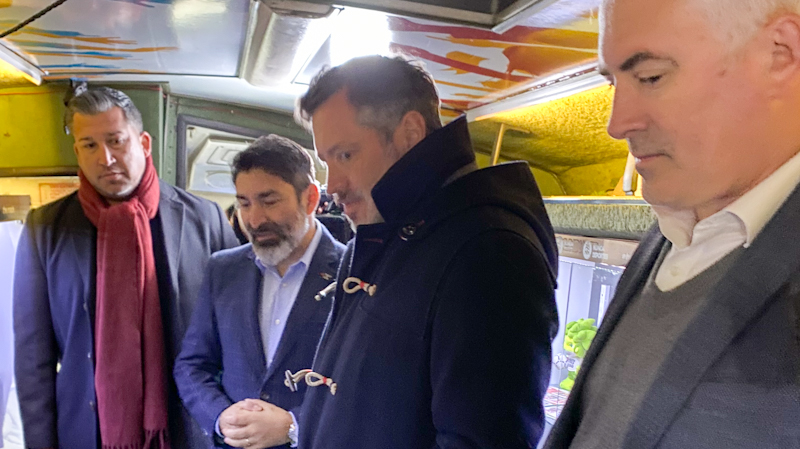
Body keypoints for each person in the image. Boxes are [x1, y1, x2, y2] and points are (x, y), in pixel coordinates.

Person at [543, 0, 800, 448]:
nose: (616, 124)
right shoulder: (670, 230)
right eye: (613, 84)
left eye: (650, 78)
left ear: (780, 53)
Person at [291, 55, 559, 448]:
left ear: (410, 133)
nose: (333, 186)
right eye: (326, 161)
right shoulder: (383, 233)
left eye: (345, 155)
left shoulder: (490, 252)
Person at [13, 86, 239, 449]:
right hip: (87, 432)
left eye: (116, 141)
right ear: (78, 152)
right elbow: (33, 358)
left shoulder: (203, 219)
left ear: (144, 143)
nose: (105, 158)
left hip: (186, 428)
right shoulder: (47, 228)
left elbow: (233, 335)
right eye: (89, 145)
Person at [173, 135, 345, 448]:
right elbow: (192, 366)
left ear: (309, 199)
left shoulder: (352, 274)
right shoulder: (223, 270)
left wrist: (294, 427)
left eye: (269, 201)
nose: (254, 220)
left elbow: (365, 387)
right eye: (244, 203)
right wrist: (219, 416)